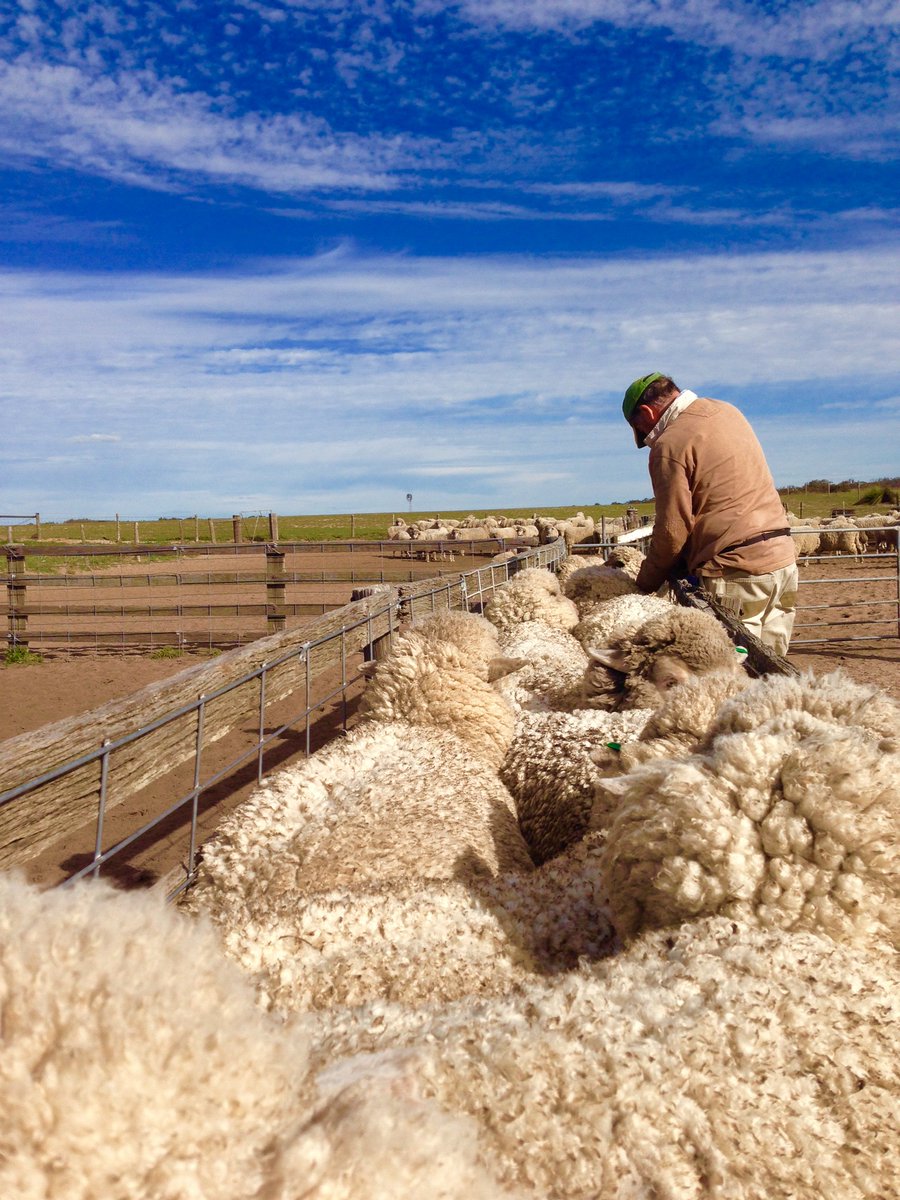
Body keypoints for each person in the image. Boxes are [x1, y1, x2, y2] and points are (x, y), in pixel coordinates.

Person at [622, 372, 798, 656]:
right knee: (773, 673)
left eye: (639, 428)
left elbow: (672, 531)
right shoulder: (728, 411)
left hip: (735, 571)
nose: (643, 438)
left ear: (646, 412)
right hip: (783, 561)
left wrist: (643, 585)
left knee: (730, 674)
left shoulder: (669, 445)